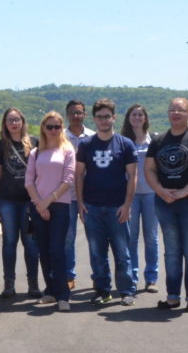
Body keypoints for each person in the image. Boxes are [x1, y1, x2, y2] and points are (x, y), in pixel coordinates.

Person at [144, 98, 188, 313]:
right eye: (172, 109)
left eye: (180, 110)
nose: (175, 113)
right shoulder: (158, 140)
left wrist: (186, 191)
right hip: (165, 202)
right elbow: (149, 169)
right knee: (172, 251)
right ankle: (173, 296)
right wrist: (160, 190)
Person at [74, 98, 138, 305]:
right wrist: (80, 203)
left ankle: (127, 291)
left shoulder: (125, 144)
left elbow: (132, 177)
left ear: (114, 118)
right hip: (92, 207)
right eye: (100, 117)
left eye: (107, 116)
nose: (103, 120)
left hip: (117, 207)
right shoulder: (85, 145)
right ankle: (103, 290)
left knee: (122, 252)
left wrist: (127, 205)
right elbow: (79, 175)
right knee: (97, 253)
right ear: (94, 119)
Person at [0, 107, 44, 301]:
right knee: (9, 243)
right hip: (7, 201)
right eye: (10, 120)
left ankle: (33, 284)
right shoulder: (0, 146)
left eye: (16, 119)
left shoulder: (35, 142)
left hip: (30, 201)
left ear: (22, 121)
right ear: (5, 123)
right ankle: (9, 284)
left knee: (30, 244)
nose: (13, 123)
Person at [25, 112, 76, 312]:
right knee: (44, 251)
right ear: (43, 128)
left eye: (57, 127)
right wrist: (39, 204)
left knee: (57, 250)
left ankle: (63, 295)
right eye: (49, 127)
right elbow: (29, 181)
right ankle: (50, 290)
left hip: (60, 205)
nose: (53, 130)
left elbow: (69, 179)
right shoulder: (35, 153)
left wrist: (48, 201)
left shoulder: (67, 150)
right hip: (38, 205)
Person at [121, 104, 159, 294]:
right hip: (131, 195)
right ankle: (133, 278)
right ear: (128, 118)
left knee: (151, 238)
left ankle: (151, 278)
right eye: (133, 115)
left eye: (140, 114)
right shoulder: (123, 141)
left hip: (151, 194)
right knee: (131, 238)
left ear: (145, 118)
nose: (136, 117)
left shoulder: (155, 140)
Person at [64, 100, 94, 290]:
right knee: (68, 238)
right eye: (72, 113)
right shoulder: (60, 136)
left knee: (94, 238)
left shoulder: (92, 137)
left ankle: (98, 275)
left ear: (85, 114)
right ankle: (69, 276)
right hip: (66, 195)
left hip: (89, 194)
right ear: (67, 115)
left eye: (79, 113)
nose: (76, 116)